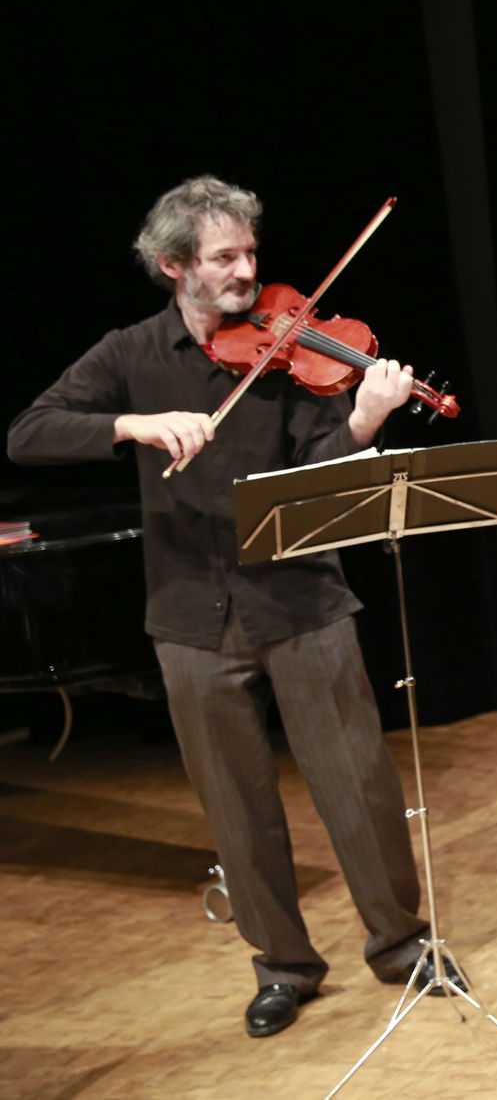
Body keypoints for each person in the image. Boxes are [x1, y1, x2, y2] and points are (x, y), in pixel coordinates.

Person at [7, 176, 435, 1038]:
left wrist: (364, 416)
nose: (249, 274)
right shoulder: (130, 353)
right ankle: (283, 964)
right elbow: (29, 430)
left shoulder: (284, 352)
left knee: (358, 781)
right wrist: (130, 425)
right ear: (174, 267)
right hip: (189, 615)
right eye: (225, 258)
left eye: (250, 253)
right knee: (234, 804)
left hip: (301, 595)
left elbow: (322, 458)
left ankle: (400, 944)